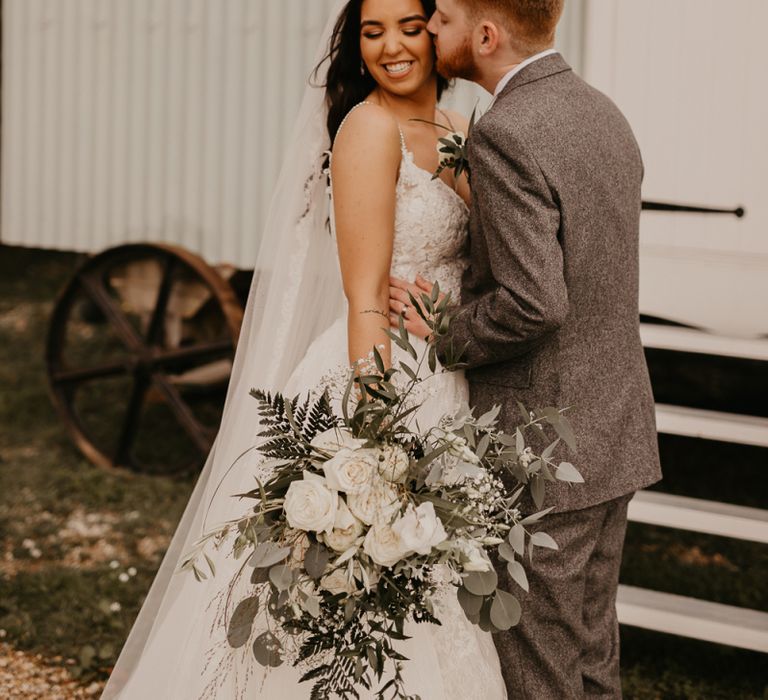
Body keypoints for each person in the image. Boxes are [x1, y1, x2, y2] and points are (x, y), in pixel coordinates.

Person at [101, 0, 507, 697]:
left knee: (433, 576)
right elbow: (366, 296)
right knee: (354, 573)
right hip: (382, 372)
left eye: (409, 26)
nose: (392, 46)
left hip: (448, 374)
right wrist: (374, 431)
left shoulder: (460, 129)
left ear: (437, 30)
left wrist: (457, 317)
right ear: (356, 47)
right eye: (372, 33)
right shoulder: (367, 129)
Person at [390, 0, 663, 698]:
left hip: (543, 441)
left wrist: (444, 330)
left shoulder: (506, 132)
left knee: (538, 671)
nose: (430, 30)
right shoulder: (603, 111)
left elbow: (535, 303)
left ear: (486, 35)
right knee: (593, 656)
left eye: (443, 18)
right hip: (616, 426)